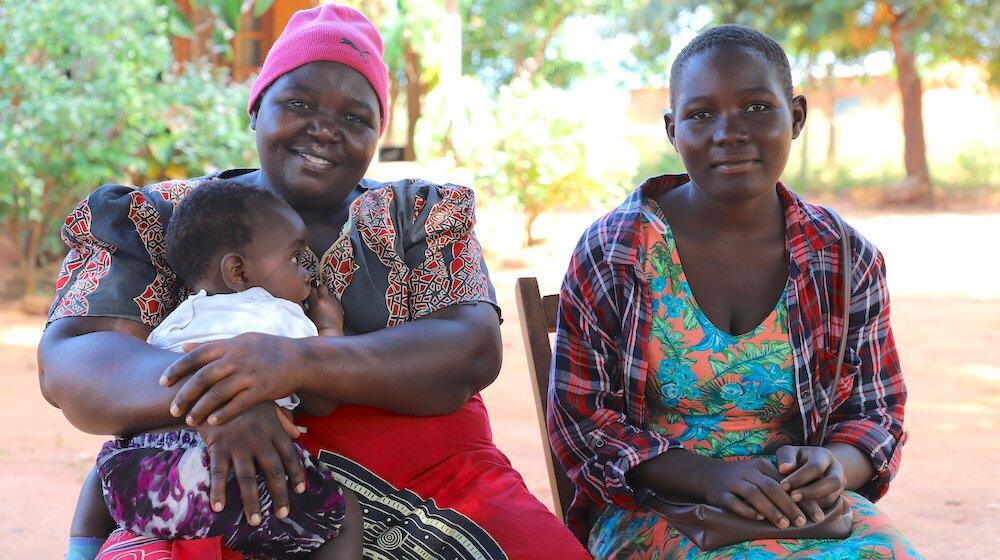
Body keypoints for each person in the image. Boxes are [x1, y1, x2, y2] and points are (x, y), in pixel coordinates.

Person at [39, 4, 589, 560]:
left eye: (355, 118)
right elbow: (74, 358)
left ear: (378, 134)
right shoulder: (168, 218)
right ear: (257, 108)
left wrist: (294, 363)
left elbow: (470, 350)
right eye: (299, 103)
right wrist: (225, 397)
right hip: (216, 476)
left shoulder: (418, 216)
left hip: (441, 481)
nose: (325, 129)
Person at [548, 25, 922, 559]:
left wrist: (834, 465)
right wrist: (709, 478)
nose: (730, 131)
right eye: (702, 115)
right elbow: (583, 422)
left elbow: (876, 412)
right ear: (672, 129)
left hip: (802, 508)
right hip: (662, 505)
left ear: (795, 117)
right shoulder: (617, 251)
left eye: (756, 107)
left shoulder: (841, 257)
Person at [68, 180, 362, 560]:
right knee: (344, 515)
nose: (307, 270)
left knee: (102, 471)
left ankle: (79, 550)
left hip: (147, 485)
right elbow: (322, 400)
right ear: (238, 272)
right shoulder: (280, 317)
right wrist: (329, 328)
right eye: (294, 257)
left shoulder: (174, 322)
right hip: (243, 484)